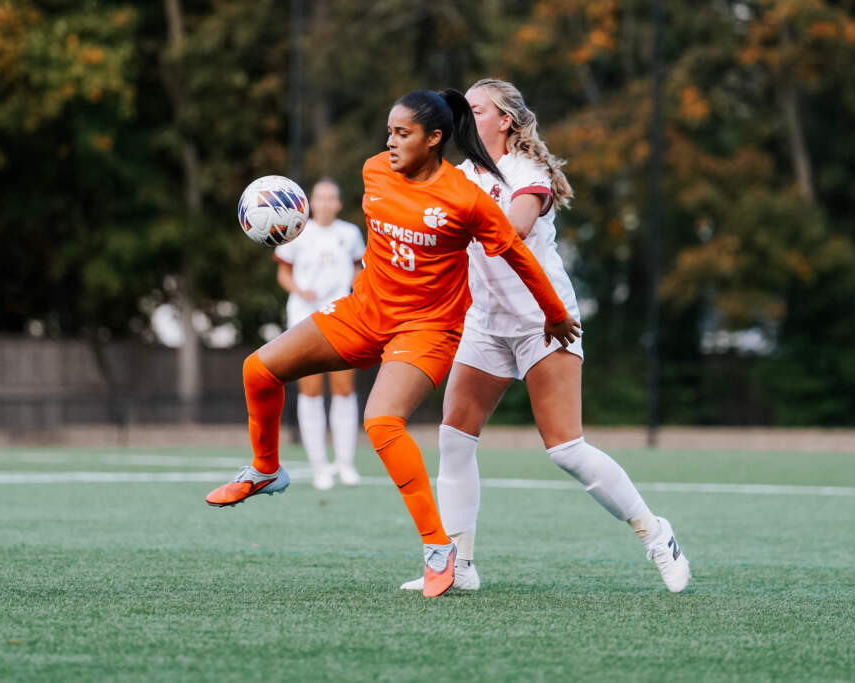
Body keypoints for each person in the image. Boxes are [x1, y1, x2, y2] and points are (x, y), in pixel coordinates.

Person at [206, 87, 580, 598]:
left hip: (426, 330)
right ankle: (267, 469)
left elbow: (515, 253)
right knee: (258, 368)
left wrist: (555, 314)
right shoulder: (373, 170)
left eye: (402, 134)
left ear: (434, 138)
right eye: (388, 132)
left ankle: (438, 548)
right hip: (364, 313)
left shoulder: (464, 198)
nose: (391, 142)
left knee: (380, 422)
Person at [398, 78, 691, 594]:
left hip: (543, 319)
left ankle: (656, 533)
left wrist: (448, 224)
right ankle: (459, 565)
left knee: (566, 449)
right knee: (453, 439)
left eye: (475, 109)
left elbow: (510, 231)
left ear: (504, 120)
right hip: (485, 322)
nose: (466, 116)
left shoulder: (525, 171)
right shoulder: (459, 175)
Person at [274, 178, 365, 490]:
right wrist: (300, 290)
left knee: (344, 388)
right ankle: (319, 467)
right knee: (310, 390)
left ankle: (345, 463)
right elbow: (283, 272)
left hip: (343, 318)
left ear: (339, 203)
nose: (326, 203)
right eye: (320, 198)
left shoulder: (350, 234)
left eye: (332, 198)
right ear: (311, 202)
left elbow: (358, 269)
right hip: (304, 320)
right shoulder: (296, 232)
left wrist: (355, 290)